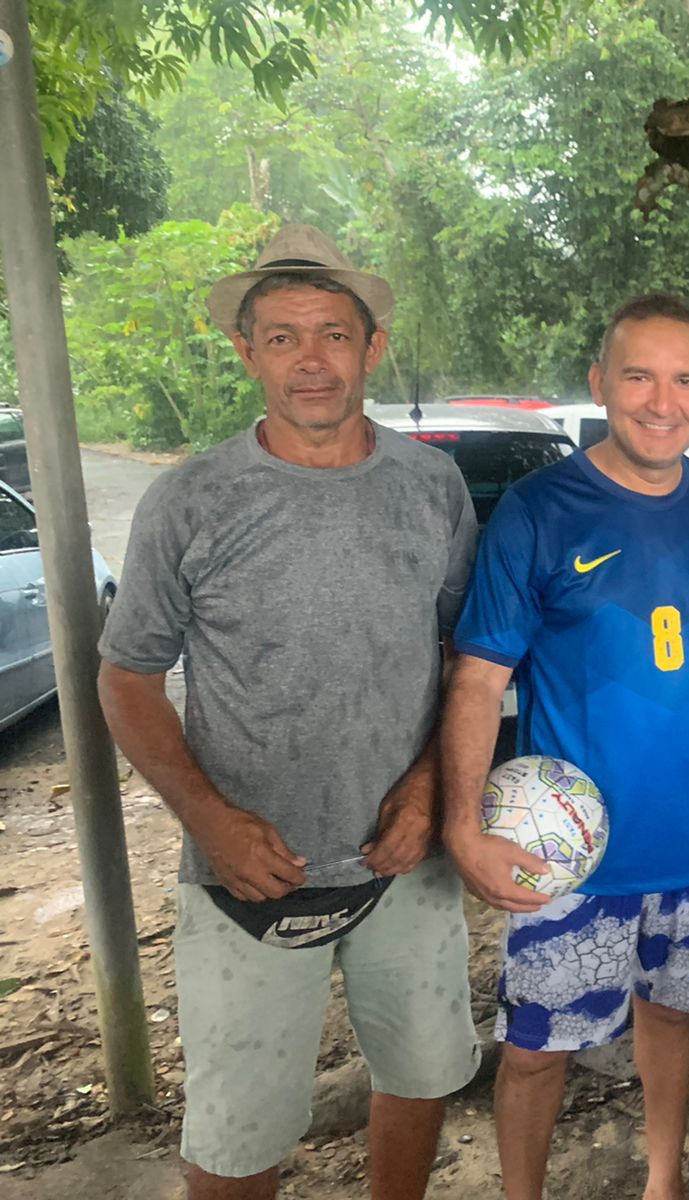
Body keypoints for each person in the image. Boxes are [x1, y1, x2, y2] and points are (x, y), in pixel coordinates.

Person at [97, 225, 481, 1200]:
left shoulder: (431, 487)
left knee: (421, 1078)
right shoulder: (190, 502)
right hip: (247, 876)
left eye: (333, 334)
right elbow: (127, 678)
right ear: (247, 352)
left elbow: (461, 657)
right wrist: (209, 820)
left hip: (406, 861)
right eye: (282, 337)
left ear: (372, 346)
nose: (311, 359)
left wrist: (429, 788)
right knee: (238, 1139)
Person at [439, 294, 689, 1200]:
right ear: (600, 383)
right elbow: (478, 678)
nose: (663, 402)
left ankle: (663, 1184)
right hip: (568, 852)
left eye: (684, 380)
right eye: (639, 377)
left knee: (672, 1020)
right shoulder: (538, 510)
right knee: (534, 1050)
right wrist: (463, 826)